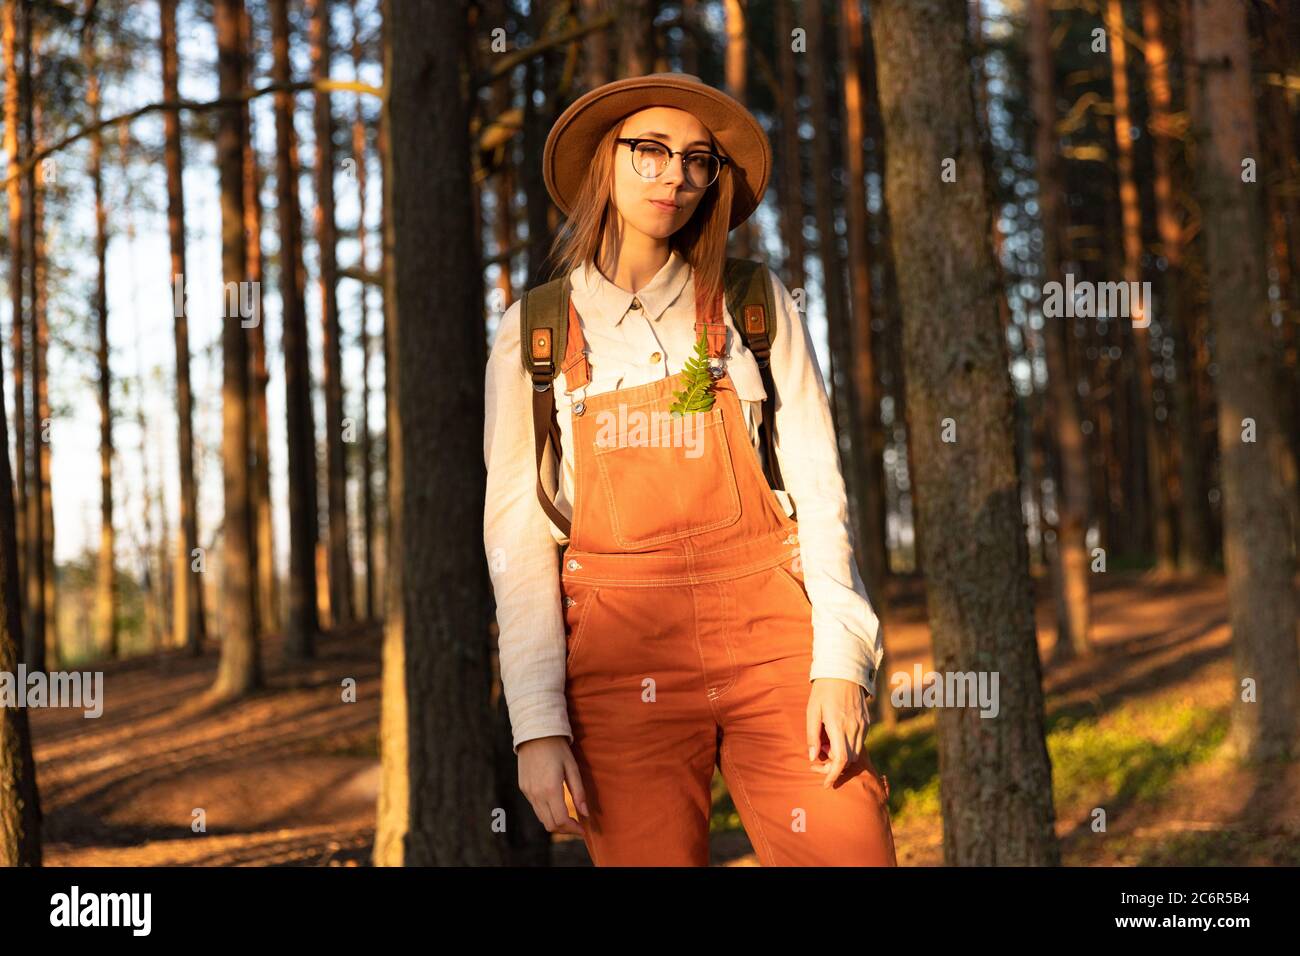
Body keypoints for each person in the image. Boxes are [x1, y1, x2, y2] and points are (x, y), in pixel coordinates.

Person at [483, 72, 896, 866]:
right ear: (606, 161)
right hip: (616, 660)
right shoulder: (534, 333)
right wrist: (536, 724)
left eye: (698, 159)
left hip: (773, 640)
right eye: (651, 150)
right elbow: (519, 538)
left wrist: (842, 661)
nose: (675, 174)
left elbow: (820, 487)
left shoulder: (752, 302)